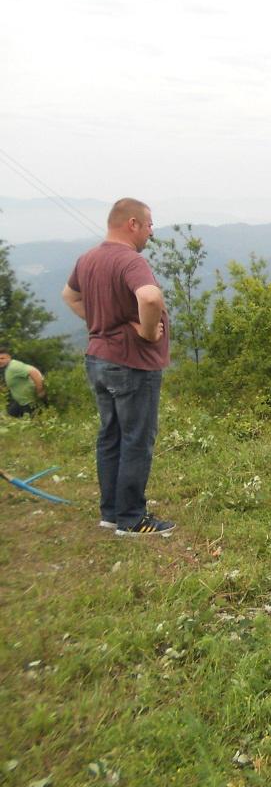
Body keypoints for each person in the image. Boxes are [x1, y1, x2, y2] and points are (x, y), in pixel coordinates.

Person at [62, 198, 176, 537]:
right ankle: (131, 518)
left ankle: (111, 513)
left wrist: (99, 322)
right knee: (136, 439)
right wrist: (144, 330)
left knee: (110, 436)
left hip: (99, 360)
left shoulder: (88, 259)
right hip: (131, 364)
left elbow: (69, 296)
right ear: (132, 224)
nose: (151, 232)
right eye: (150, 224)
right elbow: (151, 298)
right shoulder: (130, 260)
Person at [1, 347, 46, 418]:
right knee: (7, 418)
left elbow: (34, 372)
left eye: (2, 358)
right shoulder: (9, 367)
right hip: (20, 401)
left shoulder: (14, 366)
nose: (0, 361)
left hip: (29, 402)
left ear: (9, 357)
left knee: (32, 425)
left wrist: (40, 390)